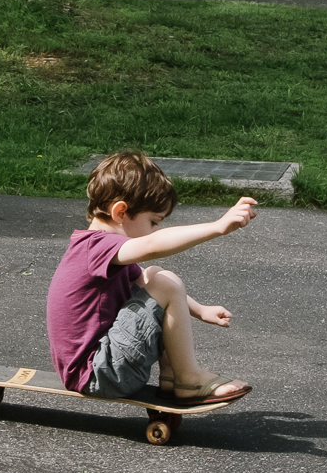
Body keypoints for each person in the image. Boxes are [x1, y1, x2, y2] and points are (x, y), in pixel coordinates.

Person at [47, 151, 254, 403]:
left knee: (154, 276)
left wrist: (199, 310)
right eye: (153, 221)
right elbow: (153, 245)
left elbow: (145, 283)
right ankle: (189, 378)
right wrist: (217, 227)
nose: (156, 229)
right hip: (99, 373)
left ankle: (171, 376)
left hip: (101, 369)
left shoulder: (98, 250)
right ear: (121, 212)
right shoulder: (95, 246)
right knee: (162, 280)